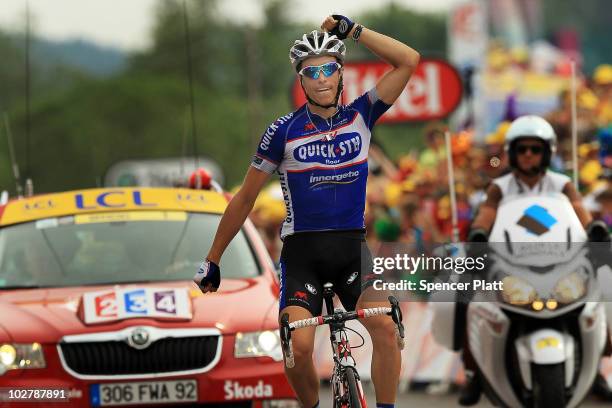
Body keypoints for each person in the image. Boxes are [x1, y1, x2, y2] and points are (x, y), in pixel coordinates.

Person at [193, 14, 419, 408]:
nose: (321, 78)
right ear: (301, 81)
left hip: (352, 249)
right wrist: (213, 258)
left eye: (328, 68)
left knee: (384, 325)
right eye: (310, 72)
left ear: (340, 73)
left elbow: (408, 60)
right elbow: (244, 199)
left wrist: (354, 31)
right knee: (297, 345)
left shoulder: (362, 115)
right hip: (302, 256)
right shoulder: (283, 130)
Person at [461, 114, 610, 405]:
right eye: (522, 149)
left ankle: (599, 369)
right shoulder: (500, 187)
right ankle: (472, 370)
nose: (528, 155)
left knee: (606, 287)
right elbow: (487, 213)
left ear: (547, 152)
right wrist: (478, 233)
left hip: (562, 263)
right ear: (512, 153)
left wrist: (594, 227)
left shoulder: (561, 183)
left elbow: (579, 208)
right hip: (511, 265)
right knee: (461, 292)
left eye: (535, 149)